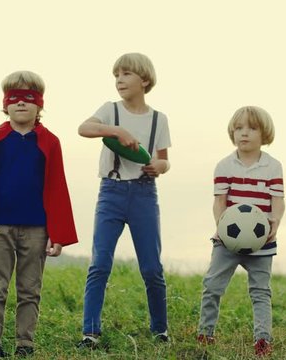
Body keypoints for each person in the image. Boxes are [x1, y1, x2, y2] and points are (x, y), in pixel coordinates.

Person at [0, 70, 78, 358]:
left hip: (36, 227)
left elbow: (56, 187)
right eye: (14, 98)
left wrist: (58, 232)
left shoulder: (50, 142)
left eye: (28, 98)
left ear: (39, 104)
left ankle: (24, 344)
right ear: (5, 104)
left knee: (30, 288)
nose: (20, 103)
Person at [76, 53, 172, 349]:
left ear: (144, 80)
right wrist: (116, 130)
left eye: (126, 74)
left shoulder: (159, 119)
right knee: (100, 263)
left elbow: (164, 160)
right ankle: (90, 332)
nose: (119, 79)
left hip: (144, 194)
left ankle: (160, 330)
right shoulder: (110, 111)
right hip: (112, 192)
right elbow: (84, 128)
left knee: (152, 268)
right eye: (116, 74)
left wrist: (159, 166)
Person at [196, 106, 285, 357]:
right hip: (227, 241)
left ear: (264, 133)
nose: (244, 133)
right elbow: (219, 201)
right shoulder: (224, 166)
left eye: (252, 128)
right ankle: (205, 333)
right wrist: (221, 226)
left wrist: (275, 220)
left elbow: (277, 200)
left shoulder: (273, 167)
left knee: (260, 291)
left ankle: (262, 340)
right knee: (212, 285)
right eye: (238, 128)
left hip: (262, 242)